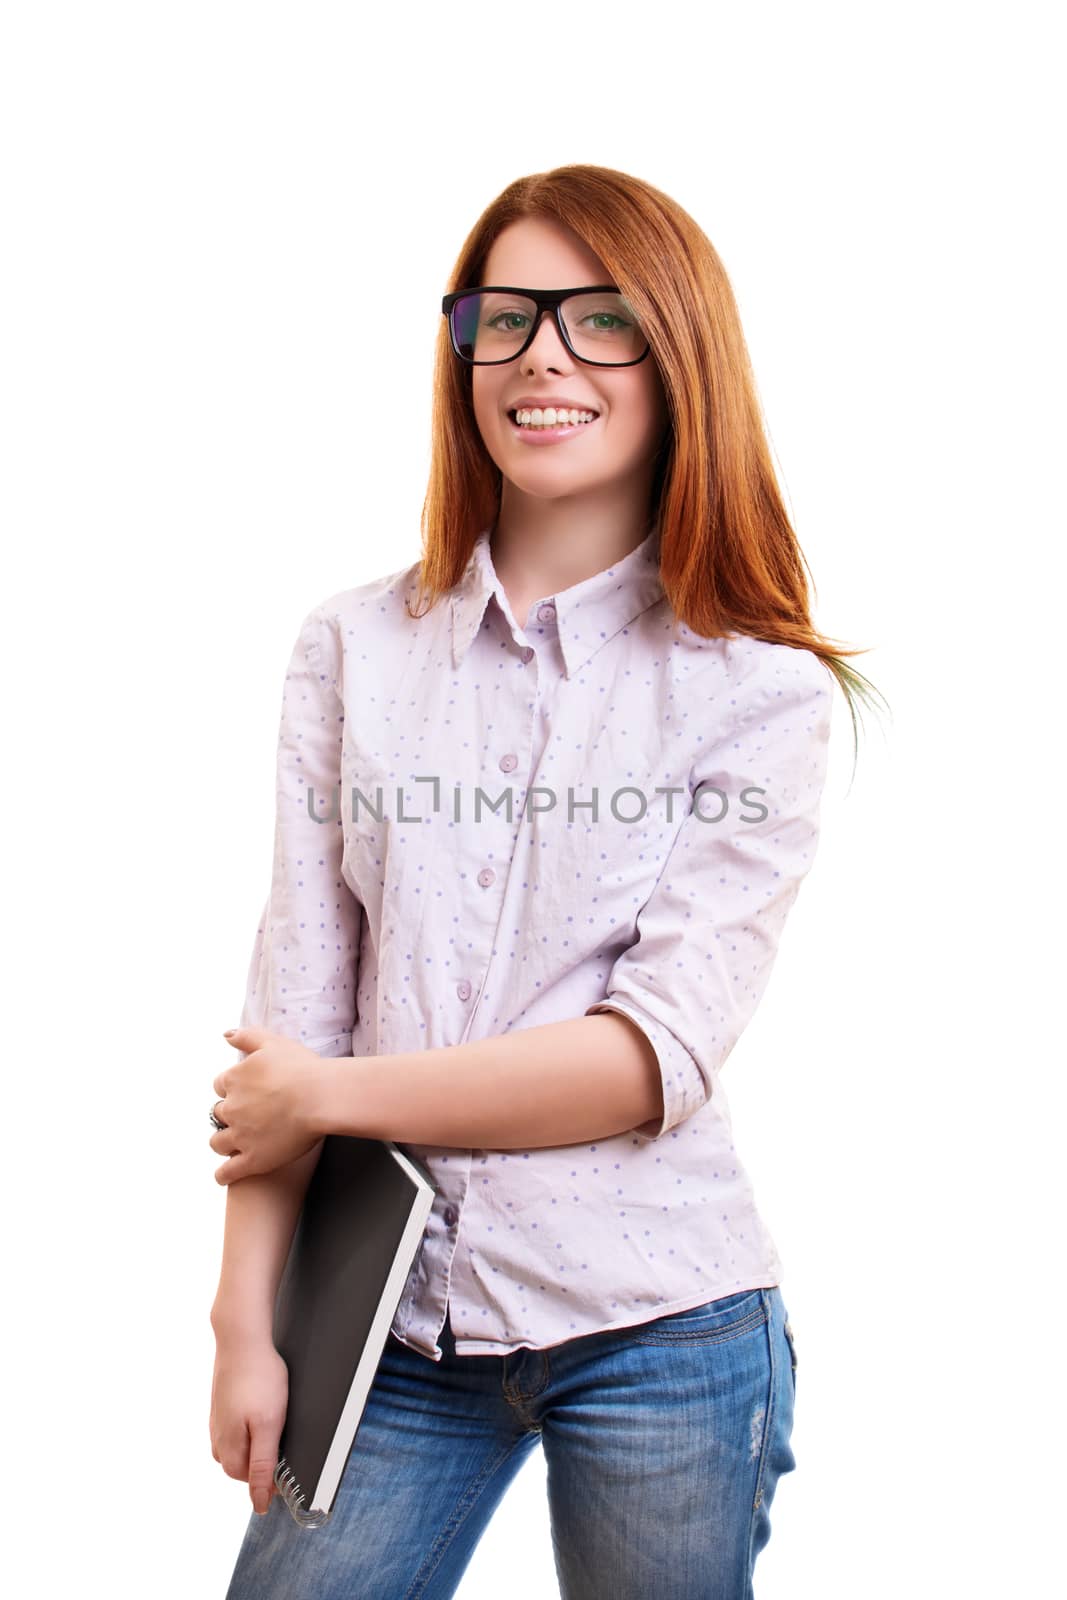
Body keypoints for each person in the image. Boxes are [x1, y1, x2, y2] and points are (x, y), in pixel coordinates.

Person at [208, 163, 882, 1600]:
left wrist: (326, 1100)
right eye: (503, 319)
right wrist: (242, 1322)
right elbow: (295, 1020)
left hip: (665, 1329)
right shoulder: (351, 650)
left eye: (599, 321)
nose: (541, 358)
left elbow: (647, 1061)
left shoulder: (758, 692)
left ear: (679, 353)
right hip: (391, 1328)